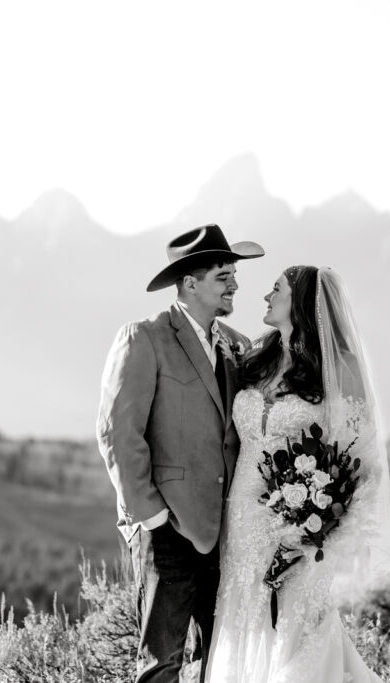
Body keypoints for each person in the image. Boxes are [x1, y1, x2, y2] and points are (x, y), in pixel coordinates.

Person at [204, 265, 390, 683]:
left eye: (276, 290)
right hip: (240, 520)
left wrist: (313, 536)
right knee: (244, 619)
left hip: (301, 532)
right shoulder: (257, 359)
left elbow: (361, 465)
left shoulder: (340, 367)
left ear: (302, 304)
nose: (266, 297)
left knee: (297, 629)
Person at [96, 224, 264, 683]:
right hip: (164, 530)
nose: (235, 284)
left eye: (233, 274)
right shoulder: (144, 338)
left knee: (223, 661)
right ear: (190, 283)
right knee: (162, 663)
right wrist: (151, 518)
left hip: (224, 531)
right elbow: (117, 432)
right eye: (223, 275)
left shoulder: (237, 343)